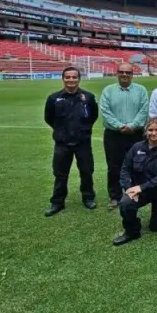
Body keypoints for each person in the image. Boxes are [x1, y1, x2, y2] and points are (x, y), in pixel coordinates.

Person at [43, 66, 99, 217]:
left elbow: (93, 115)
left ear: (79, 79)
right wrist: (61, 131)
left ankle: (88, 198)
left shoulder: (88, 97)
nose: (71, 80)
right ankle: (57, 202)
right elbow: (48, 118)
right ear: (63, 79)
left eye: (74, 77)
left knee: (86, 171)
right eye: (68, 77)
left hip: (83, 142)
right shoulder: (54, 98)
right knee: (60, 173)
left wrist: (84, 129)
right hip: (62, 143)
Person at [113, 117, 157, 246]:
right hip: (140, 191)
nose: (154, 133)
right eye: (150, 130)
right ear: (145, 131)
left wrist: (141, 187)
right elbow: (125, 169)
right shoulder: (136, 147)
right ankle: (132, 231)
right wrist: (129, 188)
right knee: (125, 203)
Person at [100, 62, 150, 210]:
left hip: (135, 134)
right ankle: (114, 196)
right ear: (117, 73)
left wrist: (132, 126)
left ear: (132, 75)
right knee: (114, 166)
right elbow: (105, 111)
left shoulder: (141, 90)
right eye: (122, 72)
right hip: (113, 135)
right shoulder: (108, 91)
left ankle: (135, 192)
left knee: (138, 164)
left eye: (128, 72)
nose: (124, 75)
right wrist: (119, 126)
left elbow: (144, 110)